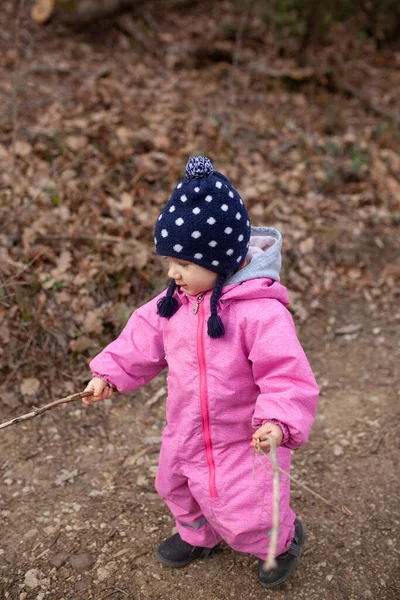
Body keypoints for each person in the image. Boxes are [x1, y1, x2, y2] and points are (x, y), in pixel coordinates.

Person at [83, 156, 319, 589]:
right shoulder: (174, 301)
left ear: (220, 260)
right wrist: (110, 373)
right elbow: (141, 337)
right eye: (170, 262)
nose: (173, 273)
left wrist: (277, 422)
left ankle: (279, 541)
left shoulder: (260, 314)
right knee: (175, 484)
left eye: (184, 263)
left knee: (249, 501)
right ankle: (198, 535)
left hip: (242, 435)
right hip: (186, 424)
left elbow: (285, 372)